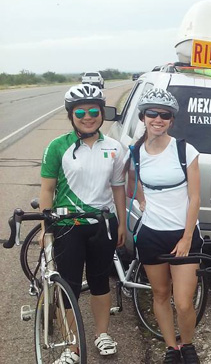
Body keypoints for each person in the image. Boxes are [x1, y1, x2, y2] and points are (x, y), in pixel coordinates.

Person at [40, 84, 126, 362]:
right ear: (71, 115)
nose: (88, 116)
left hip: (102, 224)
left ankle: (102, 335)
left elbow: (118, 189)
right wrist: (45, 229)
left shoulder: (114, 147)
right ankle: (71, 345)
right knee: (70, 286)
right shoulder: (57, 146)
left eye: (94, 111)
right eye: (81, 112)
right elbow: (46, 190)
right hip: (68, 226)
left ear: (102, 113)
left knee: (101, 283)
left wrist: (122, 224)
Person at [126, 88, 202, 364]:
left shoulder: (184, 150)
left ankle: (188, 345)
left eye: (165, 115)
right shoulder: (135, 151)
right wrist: (143, 201)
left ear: (171, 120)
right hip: (151, 235)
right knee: (159, 294)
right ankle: (172, 348)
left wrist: (187, 237)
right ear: (143, 117)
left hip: (182, 235)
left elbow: (195, 197)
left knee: (183, 301)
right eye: (152, 113)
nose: (158, 119)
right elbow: (131, 181)